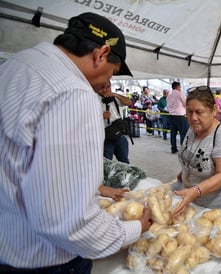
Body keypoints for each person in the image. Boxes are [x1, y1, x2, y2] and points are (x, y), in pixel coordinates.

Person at [0, 12, 152, 272]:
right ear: (101, 53)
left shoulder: (15, 66)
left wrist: (97, 189)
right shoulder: (73, 93)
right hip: (44, 260)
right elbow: (68, 223)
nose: (108, 82)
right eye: (112, 73)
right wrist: (135, 228)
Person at [172, 86, 221, 218]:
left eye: (199, 112)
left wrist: (195, 191)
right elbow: (193, 156)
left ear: (213, 110)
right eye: (189, 112)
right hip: (192, 200)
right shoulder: (193, 129)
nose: (193, 117)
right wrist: (185, 172)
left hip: (215, 206)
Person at [99, 82, 133, 164]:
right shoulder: (94, 100)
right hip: (105, 137)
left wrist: (115, 95)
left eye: (108, 87)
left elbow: (129, 102)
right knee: (107, 164)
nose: (105, 89)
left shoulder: (114, 98)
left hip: (120, 135)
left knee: (124, 161)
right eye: (102, 87)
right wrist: (100, 116)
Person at [167, 81, 189, 153]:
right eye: (180, 87)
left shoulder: (169, 95)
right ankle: (182, 149)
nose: (180, 88)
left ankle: (173, 148)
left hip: (171, 115)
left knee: (173, 133)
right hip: (180, 116)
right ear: (177, 86)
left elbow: (168, 105)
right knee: (183, 133)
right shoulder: (180, 94)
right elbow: (186, 103)